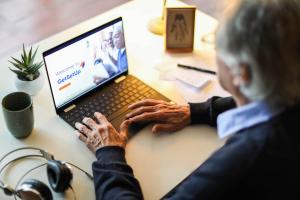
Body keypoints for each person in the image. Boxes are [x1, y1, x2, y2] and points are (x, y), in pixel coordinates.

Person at [75, 0, 300, 199]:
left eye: (217, 46)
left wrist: (109, 155)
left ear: (241, 74)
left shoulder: (243, 159)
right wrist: (197, 111)